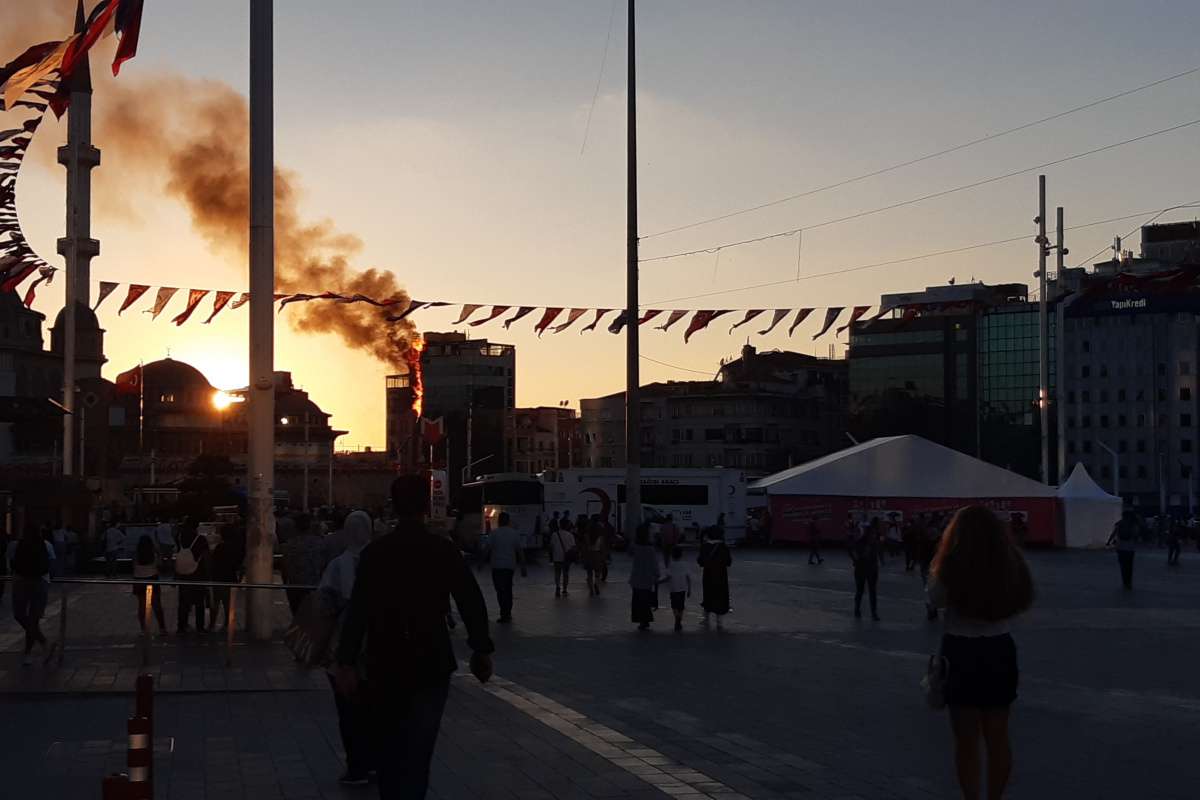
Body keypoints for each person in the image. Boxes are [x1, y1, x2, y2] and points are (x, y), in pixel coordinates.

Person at [335, 476, 494, 799]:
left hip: (384, 661)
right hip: (430, 660)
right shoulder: (441, 550)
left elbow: (359, 609)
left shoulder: (376, 553)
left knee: (389, 749)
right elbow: (470, 600)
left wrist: (346, 660)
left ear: (394, 505)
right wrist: (481, 649)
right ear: (426, 506)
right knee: (418, 753)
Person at [927, 506, 1034, 800]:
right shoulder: (1011, 564)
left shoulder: (950, 565)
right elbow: (1023, 599)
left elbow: (934, 599)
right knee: (998, 736)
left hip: (960, 651)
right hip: (999, 648)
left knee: (966, 739)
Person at [319, 510, 377, 785]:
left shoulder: (338, 566)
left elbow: (324, 604)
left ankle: (357, 765)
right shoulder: (381, 563)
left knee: (348, 712)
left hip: (341, 649)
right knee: (375, 709)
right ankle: (376, 760)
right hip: (376, 648)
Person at [8, 526, 57, 666]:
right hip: (41, 581)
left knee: (20, 615)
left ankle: (38, 646)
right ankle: (39, 645)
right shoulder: (46, 544)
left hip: (20, 581)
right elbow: (52, 562)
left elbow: (11, 563)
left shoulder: (14, 545)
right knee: (33, 619)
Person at [282, 514, 326, 615]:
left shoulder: (288, 545)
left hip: (295, 587)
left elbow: (285, 568)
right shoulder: (320, 543)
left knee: (297, 616)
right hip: (314, 586)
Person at [488, 511, 525, 623]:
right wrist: (523, 566)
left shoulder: (494, 533)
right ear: (508, 521)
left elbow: (487, 549)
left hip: (497, 566)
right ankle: (507, 612)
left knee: (500, 590)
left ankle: (503, 612)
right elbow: (520, 551)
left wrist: (480, 562)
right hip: (509, 566)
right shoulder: (514, 533)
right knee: (508, 589)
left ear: (499, 521)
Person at [175, 524, 210, 635]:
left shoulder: (180, 538)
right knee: (199, 602)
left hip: (183, 574)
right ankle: (200, 627)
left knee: (183, 602)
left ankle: (181, 626)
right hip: (198, 573)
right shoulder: (201, 539)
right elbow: (206, 556)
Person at [209, 523, 245, 631]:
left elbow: (213, 562)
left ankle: (212, 624)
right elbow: (239, 564)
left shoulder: (220, 547)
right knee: (228, 604)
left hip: (218, 577)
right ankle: (227, 624)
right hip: (230, 577)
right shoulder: (236, 548)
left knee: (215, 602)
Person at [132, 535, 169, 636]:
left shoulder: (136, 554)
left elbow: (133, 566)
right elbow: (160, 565)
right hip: (152, 578)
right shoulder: (153, 554)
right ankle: (162, 628)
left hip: (139, 580)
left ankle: (143, 628)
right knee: (156, 604)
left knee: (141, 605)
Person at [698, 527, 732, 627]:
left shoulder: (705, 546)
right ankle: (719, 621)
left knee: (708, 595)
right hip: (721, 575)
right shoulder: (723, 547)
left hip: (708, 574)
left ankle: (706, 619)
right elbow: (728, 562)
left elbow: (700, 561)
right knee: (720, 596)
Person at [629, 524, 660, 631]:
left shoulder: (635, 547)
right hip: (647, 578)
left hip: (636, 577)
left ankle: (641, 619)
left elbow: (629, 552)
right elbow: (654, 564)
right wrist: (657, 575)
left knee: (637, 599)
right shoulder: (650, 549)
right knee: (646, 599)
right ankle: (646, 619)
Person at [849, 517, 881, 621]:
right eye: (872, 534)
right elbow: (856, 554)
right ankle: (857, 609)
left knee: (872, 591)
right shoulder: (861, 543)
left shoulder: (874, 542)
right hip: (862, 569)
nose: (874, 535)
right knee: (860, 590)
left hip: (871, 569)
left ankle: (873, 612)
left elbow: (875, 555)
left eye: (875, 534)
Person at [1107, 510, 1143, 589]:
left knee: (1123, 565)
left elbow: (1114, 533)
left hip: (1120, 547)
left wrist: (1109, 542)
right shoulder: (1133, 524)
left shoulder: (1120, 523)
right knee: (1129, 565)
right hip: (1130, 548)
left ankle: (1124, 581)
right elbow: (1136, 535)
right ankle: (1129, 582)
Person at [660, 545, 692, 632]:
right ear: (681, 555)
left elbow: (668, 577)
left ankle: (677, 618)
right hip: (682, 589)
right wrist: (689, 589)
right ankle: (679, 620)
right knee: (681, 606)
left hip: (674, 589)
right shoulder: (685, 564)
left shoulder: (671, 565)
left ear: (672, 555)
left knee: (674, 606)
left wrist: (659, 582)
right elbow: (688, 578)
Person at [550, 516, 576, 597]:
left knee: (557, 573)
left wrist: (551, 557)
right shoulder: (570, 535)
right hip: (566, 558)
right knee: (566, 574)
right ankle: (564, 590)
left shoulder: (554, 534)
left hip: (557, 557)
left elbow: (551, 546)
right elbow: (573, 547)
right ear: (567, 525)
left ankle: (557, 587)